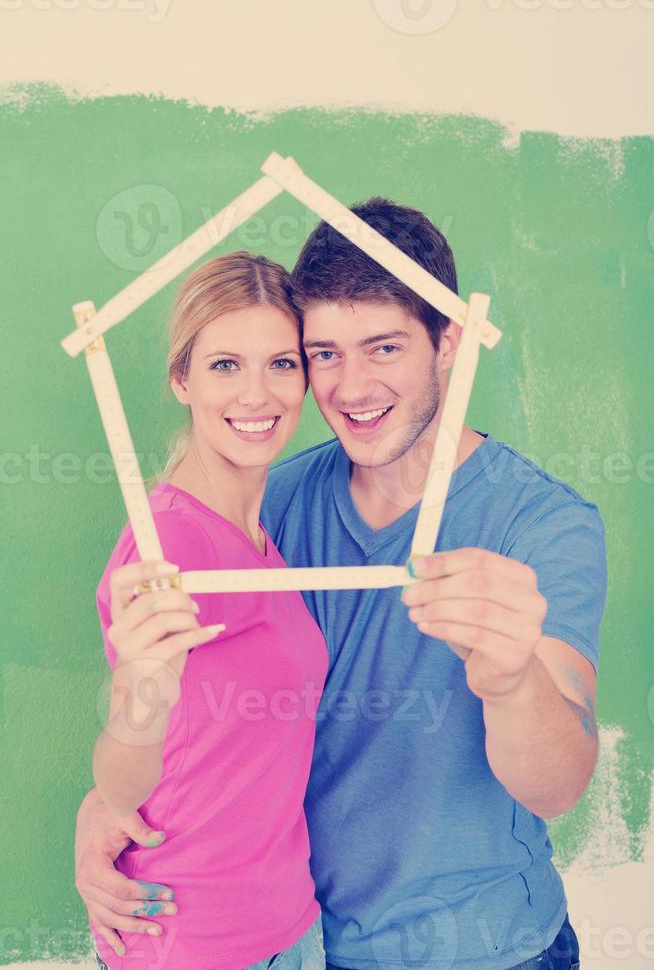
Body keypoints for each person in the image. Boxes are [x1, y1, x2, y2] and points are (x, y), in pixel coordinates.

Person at [76, 199, 604, 970]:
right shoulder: (269, 503)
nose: (350, 387)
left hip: (488, 950)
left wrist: (513, 679)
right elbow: (189, 719)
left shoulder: (542, 522)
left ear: (448, 342)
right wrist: (106, 808)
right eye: (322, 353)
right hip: (309, 943)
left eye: (383, 347)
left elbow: (559, 785)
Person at [87, 250, 328, 969]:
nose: (258, 394)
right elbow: (124, 783)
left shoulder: (262, 533)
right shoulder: (169, 543)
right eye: (226, 365)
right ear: (180, 378)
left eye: (281, 364)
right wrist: (142, 695)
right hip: (190, 942)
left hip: (292, 928)